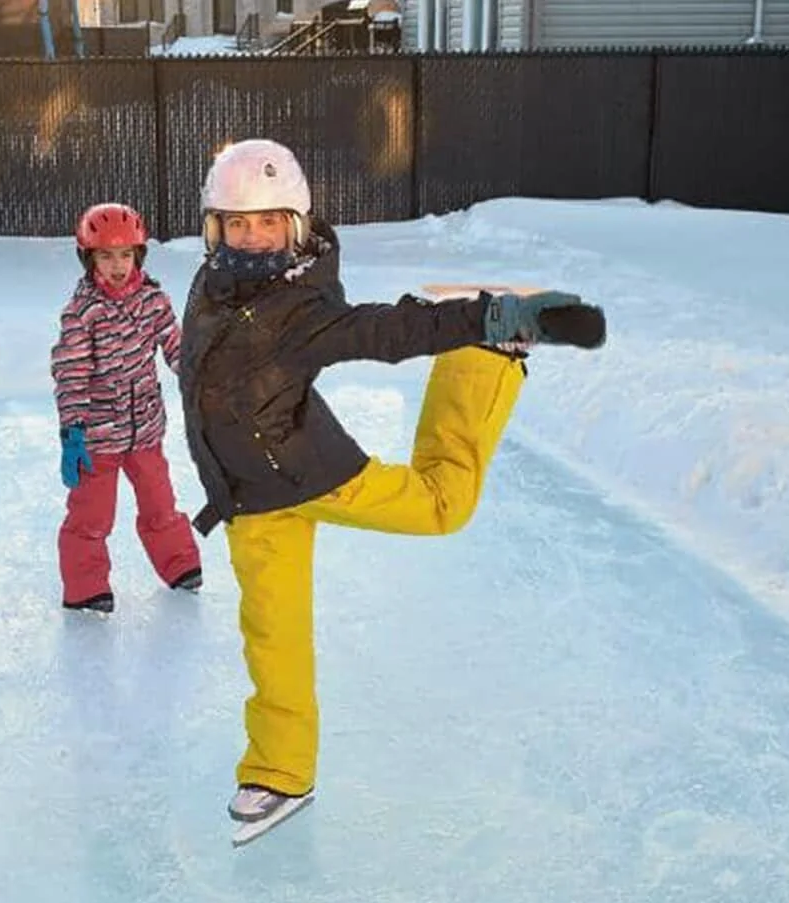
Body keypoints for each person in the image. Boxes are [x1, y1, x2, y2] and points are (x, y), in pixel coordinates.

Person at [178, 139, 603, 831]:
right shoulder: (212, 284)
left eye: (267, 223)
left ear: (296, 227)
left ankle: (487, 361)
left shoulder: (303, 311)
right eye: (236, 222)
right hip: (249, 499)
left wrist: (499, 315)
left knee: (442, 507)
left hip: (312, 475)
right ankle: (280, 773)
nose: (250, 236)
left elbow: (394, 329)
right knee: (272, 641)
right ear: (214, 227)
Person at [52, 202, 202, 613]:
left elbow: (176, 347)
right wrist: (73, 429)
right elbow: (71, 372)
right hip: (98, 438)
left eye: (125, 255)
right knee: (92, 515)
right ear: (89, 259)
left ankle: (180, 565)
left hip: (146, 431)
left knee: (160, 503)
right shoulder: (83, 312)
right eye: (105, 256)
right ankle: (85, 587)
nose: (117, 266)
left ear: (138, 255)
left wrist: (200, 380)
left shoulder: (152, 300)